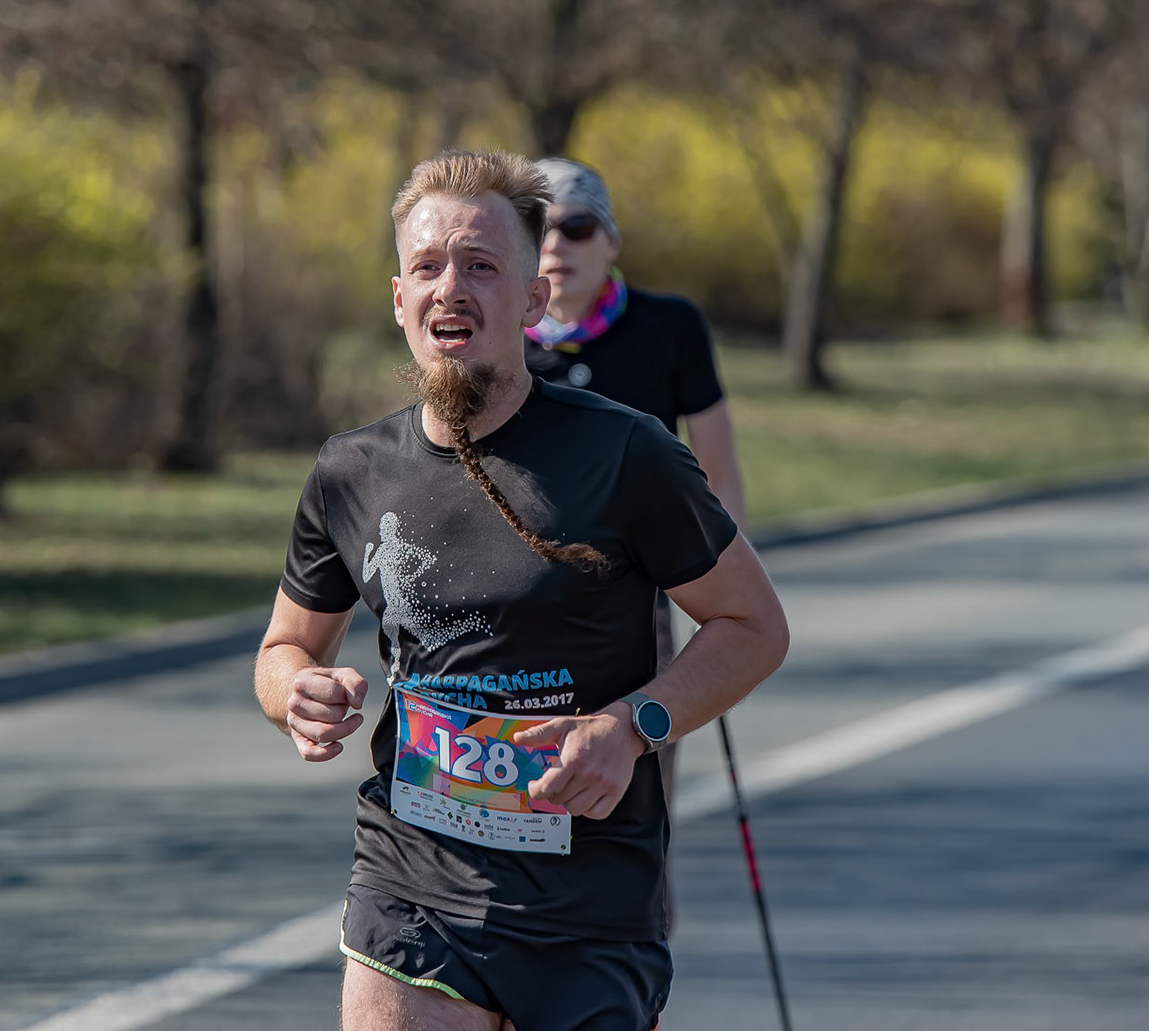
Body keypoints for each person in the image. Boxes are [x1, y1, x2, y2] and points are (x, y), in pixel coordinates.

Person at [252, 149, 790, 1031]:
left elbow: (754, 626)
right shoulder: (351, 470)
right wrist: (296, 695)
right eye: (428, 266)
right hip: (412, 883)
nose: (450, 288)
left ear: (534, 301)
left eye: (481, 266)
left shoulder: (628, 453)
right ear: (399, 298)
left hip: (590, 904)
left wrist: (633, 725)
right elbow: (285, 648)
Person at [523, 158, 749, 805]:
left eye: (577, 227)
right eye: (537, 229)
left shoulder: (670, 326)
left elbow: (718, 475)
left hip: (640, 597)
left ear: (611, 241)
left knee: (637, 789)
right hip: (522, 597)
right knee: (529, 792)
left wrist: (720, 598)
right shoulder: (494, 338)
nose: (556, 245)